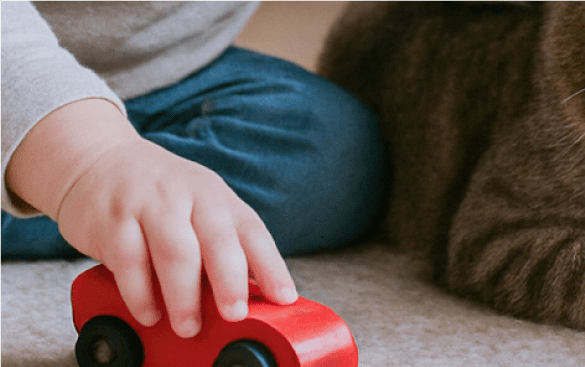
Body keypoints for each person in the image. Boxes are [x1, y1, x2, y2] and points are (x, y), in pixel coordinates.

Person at [0, 1, 387, 339]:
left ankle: (119, 209)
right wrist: (93, 158)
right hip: (14, 65)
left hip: (172, 70)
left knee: (339, 152)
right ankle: (62, 188)